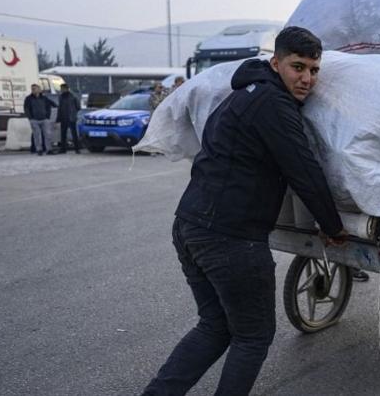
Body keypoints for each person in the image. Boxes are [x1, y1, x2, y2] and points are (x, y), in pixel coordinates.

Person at [142, 27, 349, 396]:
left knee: (215, 325)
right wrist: (332, 227)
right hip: (230, 238)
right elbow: (304, 170)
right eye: (297, 67)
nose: (306, 79)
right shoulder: (273, 105)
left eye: (314, 71)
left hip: (190, 225)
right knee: (253, 336)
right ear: (276, 62)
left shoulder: (244, 95)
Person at [24, 84, 57, 156]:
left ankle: (49, 149)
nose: (33, 90)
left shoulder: (44, 98)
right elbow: (26, 109)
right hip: (34, 120)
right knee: (37, 136)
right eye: (32, 89)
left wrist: (48, 116)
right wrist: (30, 118)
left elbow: (52, 104)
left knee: (48, 135)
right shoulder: (28, 98)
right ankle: (39, 150)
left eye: (34, 89)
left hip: (44, 119)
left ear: (39, 90)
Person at [56, 84, 81, 154]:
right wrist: (58, 118)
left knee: (74, 134)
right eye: (61, 89)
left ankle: (77, 148)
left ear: (67, 89)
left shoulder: (73, 96)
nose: (61, 90)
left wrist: (74, 114)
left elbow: (78, 107)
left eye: (62, 89)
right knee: (63, 134)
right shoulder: (61, 97)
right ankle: (63, 149)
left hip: (71, 118)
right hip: (63, 118)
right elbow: (59, 108)